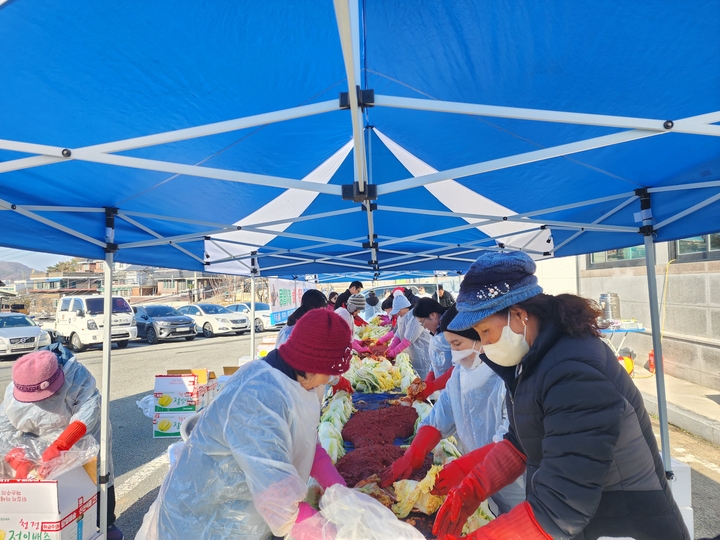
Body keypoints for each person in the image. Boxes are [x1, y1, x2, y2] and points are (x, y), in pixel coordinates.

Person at [433, 251, 690, 540]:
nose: (484, 344)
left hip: (625, 522)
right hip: (585, 523)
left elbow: (561, 506)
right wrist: (474, 488)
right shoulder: (531, 362)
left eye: (485, 331)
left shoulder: (574, 370)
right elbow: (521, 442)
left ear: (518, 314)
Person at [151, 309, 352, 539]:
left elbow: (307, 443)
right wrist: (337, 534)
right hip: (207, 522)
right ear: (312, 365)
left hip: (249, 516)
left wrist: (339, 489)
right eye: (330, 373)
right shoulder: (258, 397)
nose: (330, 380)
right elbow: (279, 501)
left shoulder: (297, 385)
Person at [380, 305, 525, 516]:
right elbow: (441, 416)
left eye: (457, 344)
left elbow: (514, 440)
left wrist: (463, 468)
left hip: (518, 484)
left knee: (515, 521)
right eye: (450, 346)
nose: (455, 355)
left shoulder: (511, 377)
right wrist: (414, 454)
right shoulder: (460, 374)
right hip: (479, 478)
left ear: (482, 336)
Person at [0, 345, 124, 540]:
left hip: (82, 436)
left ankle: (105, 523)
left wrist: (62, 444)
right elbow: (4, 429)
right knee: (53, 486)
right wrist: (17, 458)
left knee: (96, 476)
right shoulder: (17, 387)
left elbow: (89, 410)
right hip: (40, 442)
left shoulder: (76, 377)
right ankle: (59, 524)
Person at [410, 298, 454, 400]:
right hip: (447, 389)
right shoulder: (438, 331)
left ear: (433, 315)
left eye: (422, 322)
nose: (424, 327)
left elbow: (460, 365)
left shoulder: (451, 329)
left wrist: (433, 385)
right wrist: (428, 382)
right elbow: (437, 360)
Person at [383, 291, 432, 379]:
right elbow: (398, 335)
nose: (397, 313)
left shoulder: (415, 317)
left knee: (424, 377)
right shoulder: (401, 317)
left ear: (404, 308)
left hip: (422, 353)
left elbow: (408, 340)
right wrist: (391, 347)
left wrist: (394, 352)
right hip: (412, 353)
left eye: (398, 311)